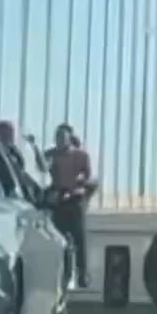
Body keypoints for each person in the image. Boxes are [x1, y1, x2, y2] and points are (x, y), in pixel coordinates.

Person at [45, 123, 93, 288]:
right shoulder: (49, 155)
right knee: (58, 239)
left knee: (79, 237)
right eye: (57, 137)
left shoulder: (81, 156)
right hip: (57, 201)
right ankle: (62, 273)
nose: (59, 140)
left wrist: (78, 183)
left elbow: (87, 175)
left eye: (62, 137)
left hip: (74, 200)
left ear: (69, 139)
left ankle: (82, 273)